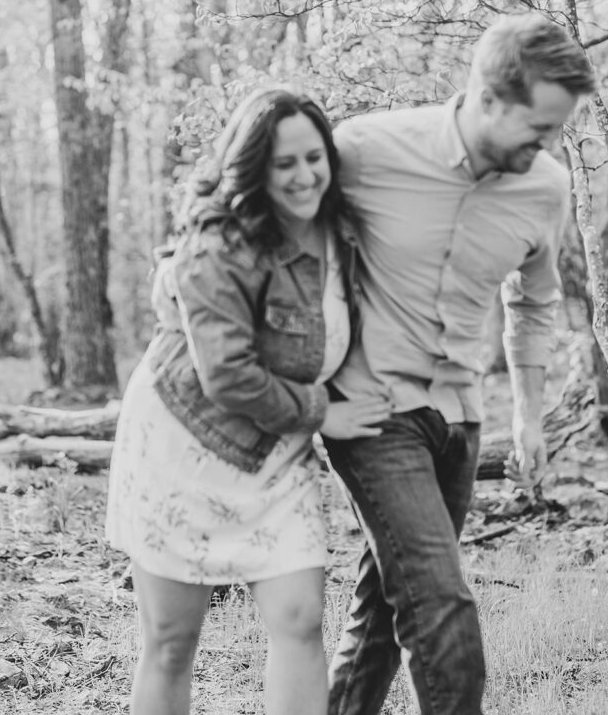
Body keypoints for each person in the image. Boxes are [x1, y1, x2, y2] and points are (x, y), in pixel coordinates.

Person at [323, 13, 596, 715]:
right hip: (371, 413)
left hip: (460, 421)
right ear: (487, 97)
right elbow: (284, 245)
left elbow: (532, 304)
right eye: (540, 126)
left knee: (385, 610)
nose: (550, 144)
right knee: (440, 607)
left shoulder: (545, 187)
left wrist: (528, 419)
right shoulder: (364, 149)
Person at [105, 86, 393, 715]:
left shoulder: (342, 229)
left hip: (277, 452)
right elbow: (229, 376)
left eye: (314, 157)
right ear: (256, 168)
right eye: (284, 163)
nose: (303, 175)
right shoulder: (222, 245)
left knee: (299, 616)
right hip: (184, 448)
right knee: (172, 642)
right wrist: (325, 413)